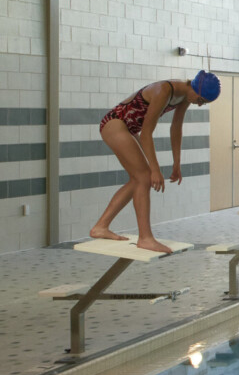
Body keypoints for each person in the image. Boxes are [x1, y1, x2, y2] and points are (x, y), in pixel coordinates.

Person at [89, 71, 220, 254]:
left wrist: (177, 163)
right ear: (194, 87)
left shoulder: (185, 97)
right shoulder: (164, 90)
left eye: (203, 103)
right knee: (144, 177)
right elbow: (146, 134)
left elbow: (176, 128)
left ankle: (101, 227)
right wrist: (155, 169)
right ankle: (145, 238)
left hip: (127, 128)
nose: (199, 105)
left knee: (137, 180)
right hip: (116, 124)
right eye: (200, 100)